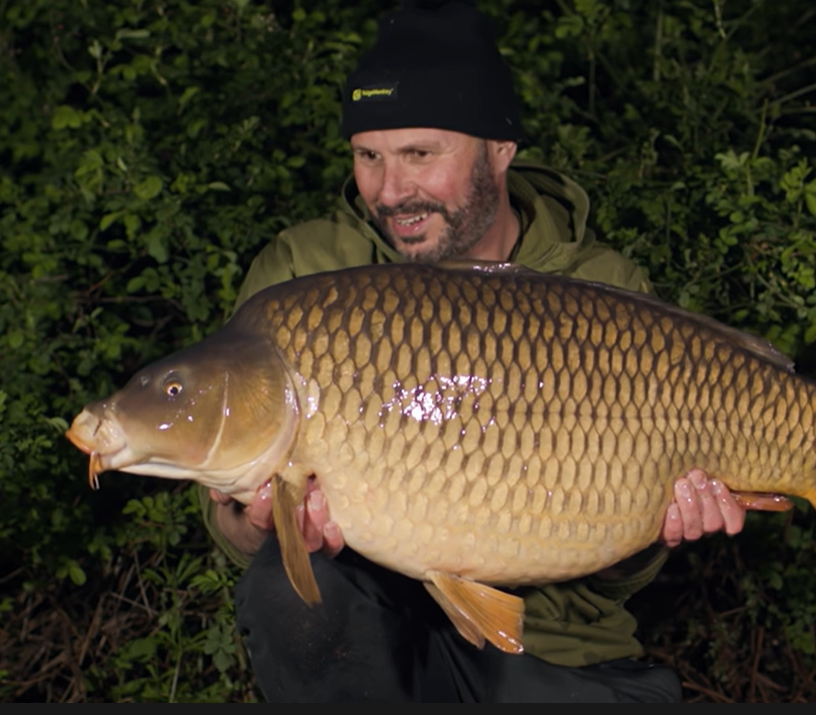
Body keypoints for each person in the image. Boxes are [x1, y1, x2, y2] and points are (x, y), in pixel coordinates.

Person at [200, 0, 746, 702]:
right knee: (290, 589)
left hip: (558, 646)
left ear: (500, 149)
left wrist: (660, 526)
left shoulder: (604, 289)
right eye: (369, 156)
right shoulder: (303, 279)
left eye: (420, 154)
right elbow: (224, 515)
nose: (391, 191)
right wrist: (250, 523)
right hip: (373, 634)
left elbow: (616, 569)